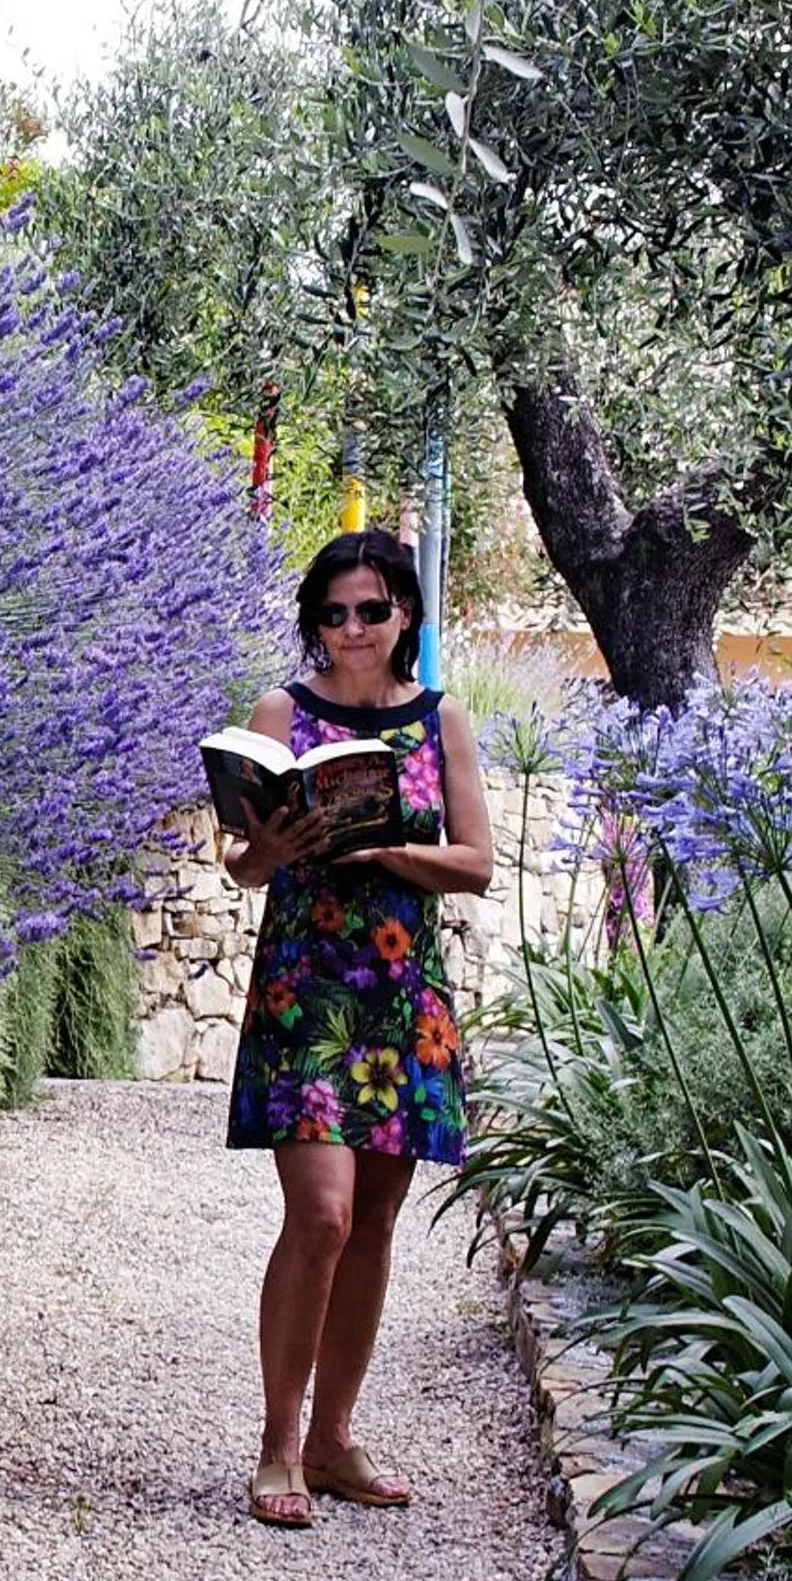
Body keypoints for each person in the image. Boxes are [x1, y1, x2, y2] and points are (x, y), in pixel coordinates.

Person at [220, 529, 494, 1529]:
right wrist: (273, 845)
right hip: (305, 988)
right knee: (322, 1214)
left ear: (405, 616)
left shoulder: (441, 719)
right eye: (332, 612)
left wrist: (381, 843)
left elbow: (474, 862)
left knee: (374, 1221)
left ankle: (334, 1437)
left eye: (370, 610)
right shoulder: (280, 713)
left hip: (401, 992)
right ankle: (278, 1442)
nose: (350, 629)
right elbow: (241, 864)